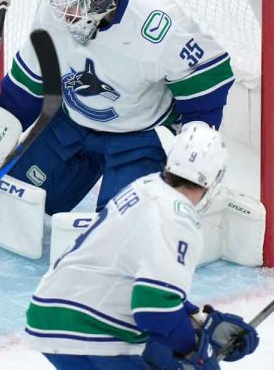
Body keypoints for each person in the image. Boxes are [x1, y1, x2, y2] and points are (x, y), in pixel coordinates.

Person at [0, 0, 235, 216]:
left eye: (72, 8)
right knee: (13, 204)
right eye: (62, 9)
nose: (64, 17)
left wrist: (192, 157)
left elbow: (209, 84)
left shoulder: (157, 24)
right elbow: (26, 89)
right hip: (70, 126)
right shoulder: (52, 15)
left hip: (139, 139)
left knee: (120, 228)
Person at [24, 123, 259, 370]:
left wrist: (200, 320)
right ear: (216, 177)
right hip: (90, 329)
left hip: (53, 313)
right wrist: (194, 351)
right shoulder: (179, 217)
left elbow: (146, 284)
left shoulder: (148, 186)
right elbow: (154, 309)